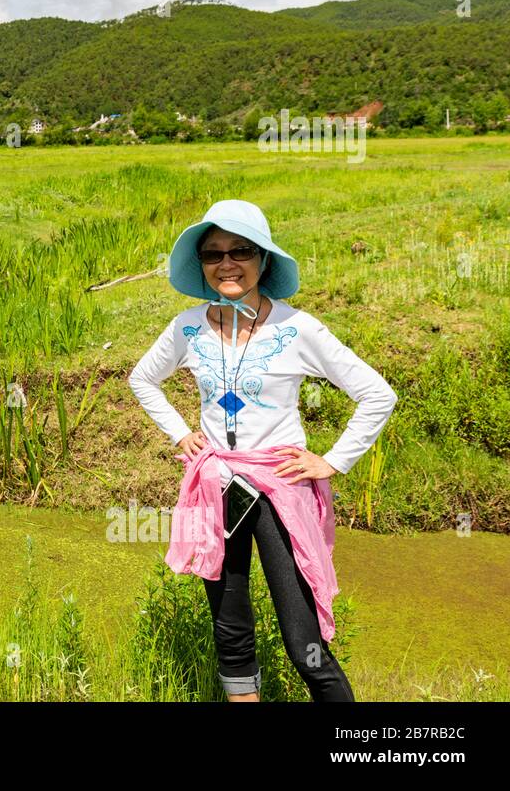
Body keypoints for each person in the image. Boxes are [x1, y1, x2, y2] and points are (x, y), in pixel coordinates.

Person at [127, 199, 397, 702]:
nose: (227, 263)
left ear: (264, 259)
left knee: (303, 640)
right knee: (230, 629)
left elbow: (377, 393)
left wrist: (333, 461)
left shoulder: (296, 329)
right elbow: (142, 379)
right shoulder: (188, 326)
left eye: (240, 250)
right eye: (213, 254)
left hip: (280, 489)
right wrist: (180, 432)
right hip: (218, 486)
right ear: (202, 265)